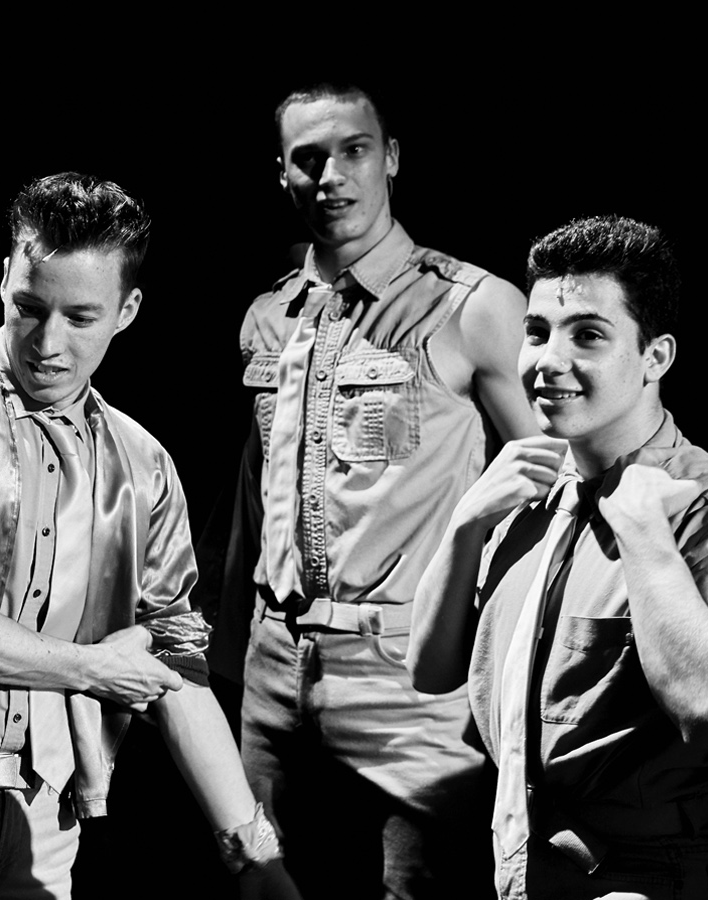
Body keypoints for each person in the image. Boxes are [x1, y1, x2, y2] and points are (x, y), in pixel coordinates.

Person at [0, 172, 300, 899]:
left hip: (46, 821)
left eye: (80, 317)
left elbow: (176, 672)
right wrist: (94, 668)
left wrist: (254, 855)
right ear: (3, 280)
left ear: (128, 310)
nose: (47, 342)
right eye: (28, 308)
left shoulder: (142, 464)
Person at [224, 83, 538, 897]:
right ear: (282, 174)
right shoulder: (269, 315)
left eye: (353, 150)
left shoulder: (472, 307)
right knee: (267, 887)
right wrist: (227, 656)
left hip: (409, 680)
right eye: (309, 158)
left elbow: (555, 491)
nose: (332, 175)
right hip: (273, 671)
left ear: (390, 158)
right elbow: (253, 503)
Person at [410, 215, 708, 899]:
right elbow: (429, 670)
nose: (548, 360)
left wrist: (642, 535)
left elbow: (704, 703)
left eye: (588, 336)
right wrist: (465, 525)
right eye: (538, 331)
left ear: (656, 357)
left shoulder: (696, 502)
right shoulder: (526, 494)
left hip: (645, 878)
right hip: (520, 863)